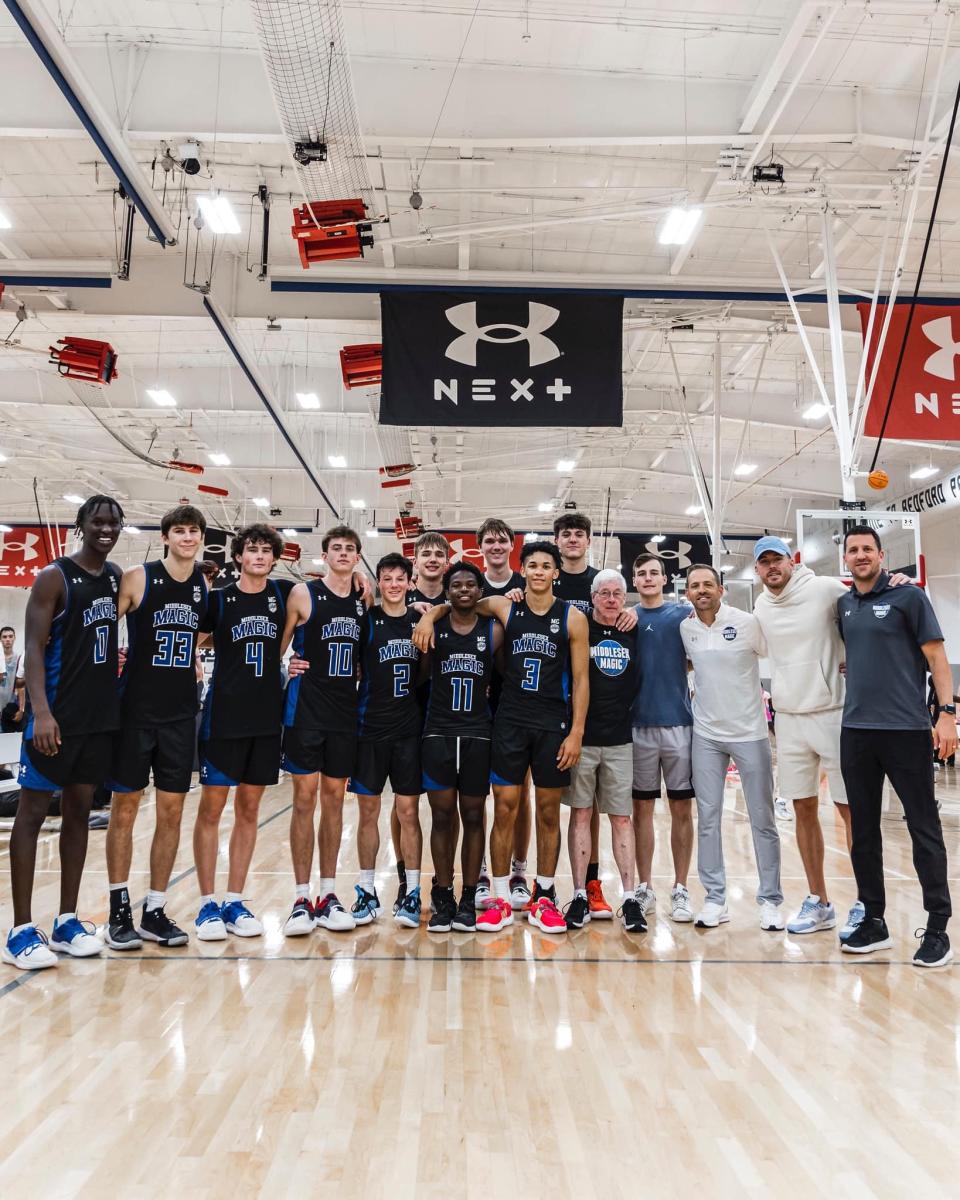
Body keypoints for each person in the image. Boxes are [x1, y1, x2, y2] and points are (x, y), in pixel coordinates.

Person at [415, 540, 589, 935]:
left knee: (547, 812)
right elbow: (459, 604)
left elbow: (581, 681)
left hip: (551, 726)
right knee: (505, 809)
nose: (540, 571)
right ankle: (497, 895)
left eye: (547, 565)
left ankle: (544, 894)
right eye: (533, 565)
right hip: (509, 722)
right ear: (522, 570)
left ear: (556, 573)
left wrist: (576, 732)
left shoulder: (572, 618)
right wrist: (428, 619)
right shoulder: (504, 607)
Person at [3, 495, 124, 970]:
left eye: (113, 522)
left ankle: (67, 920)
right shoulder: (53, 577)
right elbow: (33, 650)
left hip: (98, 721)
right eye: (97, 521)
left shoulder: (115, 579)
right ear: (81, 525)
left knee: (78, 812)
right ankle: (19, 929)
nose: (106, 528)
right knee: (32, 814)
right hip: (56, 718)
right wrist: (41, 713)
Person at [837, 525, 955, 967]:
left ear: (882, 555)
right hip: (856, 732)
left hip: (906, 730)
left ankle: (938, 927)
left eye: (868, 548)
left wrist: (946, 713)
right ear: (845, 558)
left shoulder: (909, 597)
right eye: (853, 550)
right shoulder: (843, 604)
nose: (861, 555)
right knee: (863, 832)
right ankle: (874, 919)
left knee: (923, 827)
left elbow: (937, 657)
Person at [104, 504, 210, 950]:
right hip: (135, 713)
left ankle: (155, 908)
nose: (187, 538)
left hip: (180, 716)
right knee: (124, 809)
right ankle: (117, 909)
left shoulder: (203, 586)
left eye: (194, 531)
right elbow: (101, 627)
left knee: (171, 814)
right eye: (180, 531)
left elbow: (205, 633)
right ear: (166, 537)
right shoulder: (138, 577)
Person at [192, 524, 287, 941]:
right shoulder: (218, 600)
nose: (260, 556)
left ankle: (234, 898)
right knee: (212, 810)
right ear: (239, 557)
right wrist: (192, 660)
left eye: (267, 551)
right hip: (224, 718)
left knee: (250, 811)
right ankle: (206, 903)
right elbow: (191, 636)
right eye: (253, 550)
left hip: (266, 720)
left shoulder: (283, 596)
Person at [680, 564, 783, 930]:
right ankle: (714, 898)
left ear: (721, 590)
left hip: (750, 734)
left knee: (763, 820)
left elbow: (780, 652)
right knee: (708, 819)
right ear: (688, 593)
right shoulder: (686, 628)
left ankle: (770, 900)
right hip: (706, 735)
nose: (702, 590)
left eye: (708, 584)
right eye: (695, 586)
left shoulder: (746, 622)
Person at [279, 524, 367, 935]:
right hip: (306, 711)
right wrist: (286, 667)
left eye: (351, 548)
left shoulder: (364, 599)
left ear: (357, 556)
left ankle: (328, 893)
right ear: (326, 555)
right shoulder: (304, 594)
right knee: (304, 799)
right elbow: (276, 647)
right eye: (337, 548)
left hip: (345, 713)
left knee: (334, 801)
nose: (344, 554)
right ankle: (300, 897)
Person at [551, 512, 628, 920]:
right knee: (556, 803)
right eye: (566, 534)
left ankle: (592, 884)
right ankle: (535, 880)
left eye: (579, 534)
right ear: (558, 541)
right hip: (553, 704)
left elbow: (621, 620)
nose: (573, 540)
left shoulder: (602, 582)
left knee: (593, 809)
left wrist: (627, 616)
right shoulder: (549, 579)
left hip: (599, 710)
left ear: (588, 540)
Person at [562, 570, 645, 933]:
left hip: (619, 740)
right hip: (582, 738)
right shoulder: (580, 630)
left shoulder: (633, 629)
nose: (612, 599)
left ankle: (629, 899)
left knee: (621, 818)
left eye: (618, 594)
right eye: (605, 593)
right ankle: (579, 894)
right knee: (581, 814)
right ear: (592, 597)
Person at [422, 560, 501, 933]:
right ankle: (443, 894)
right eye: (456, 585)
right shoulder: (433, 627)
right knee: (441, 817)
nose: (464, 589)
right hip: (438, 732)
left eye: (471, 584)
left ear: (480, 591)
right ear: (447, 591)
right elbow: (421, 678)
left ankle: (469, 897)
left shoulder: (493, 630)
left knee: (472, 816)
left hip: (477, 733)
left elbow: (505, 676)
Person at [350, 554, 425, 928]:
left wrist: (433, 611)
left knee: (408, 812)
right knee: (368, 813)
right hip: (370, 730)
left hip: (409, 732)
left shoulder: (420, 620)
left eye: (400, 578)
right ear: (379, 582)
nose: (393, 584)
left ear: (410, 582)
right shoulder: (367, 622)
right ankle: (366, 888)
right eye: (387, 578)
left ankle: (412, 891)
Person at [630, 554, 696, 923]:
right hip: (637, 728)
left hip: (679, 726)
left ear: (665, 578)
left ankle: (682, 886)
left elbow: (693, 657)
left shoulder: (682, 616)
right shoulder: (625, 618)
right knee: (642, 810)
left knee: (681, 809)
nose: (648, 578)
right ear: (634, 581)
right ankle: (644, 886)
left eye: (654, 572)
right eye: (641, 574)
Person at [391, 530, 453, 912]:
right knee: (404, 802)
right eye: (424, 553)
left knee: (452, 803)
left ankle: (459, 876)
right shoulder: (399, 599)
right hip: (405, 713)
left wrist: (435, 612)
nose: (431, 559)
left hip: (450, 713)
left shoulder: (462, 596)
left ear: (447, 561)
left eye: (438, 554)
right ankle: (404, 877)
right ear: (415, 561)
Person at [475, 516, 529, 909]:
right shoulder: (470, 586)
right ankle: (480, 872)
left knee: (519, 792)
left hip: (521, 697)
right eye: (489, 541)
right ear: (481, 547)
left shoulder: (526, 587)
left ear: (511, 545)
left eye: (501, 540)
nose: (495, 546)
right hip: (476, 698)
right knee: (477, 791)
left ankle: (519, 870)